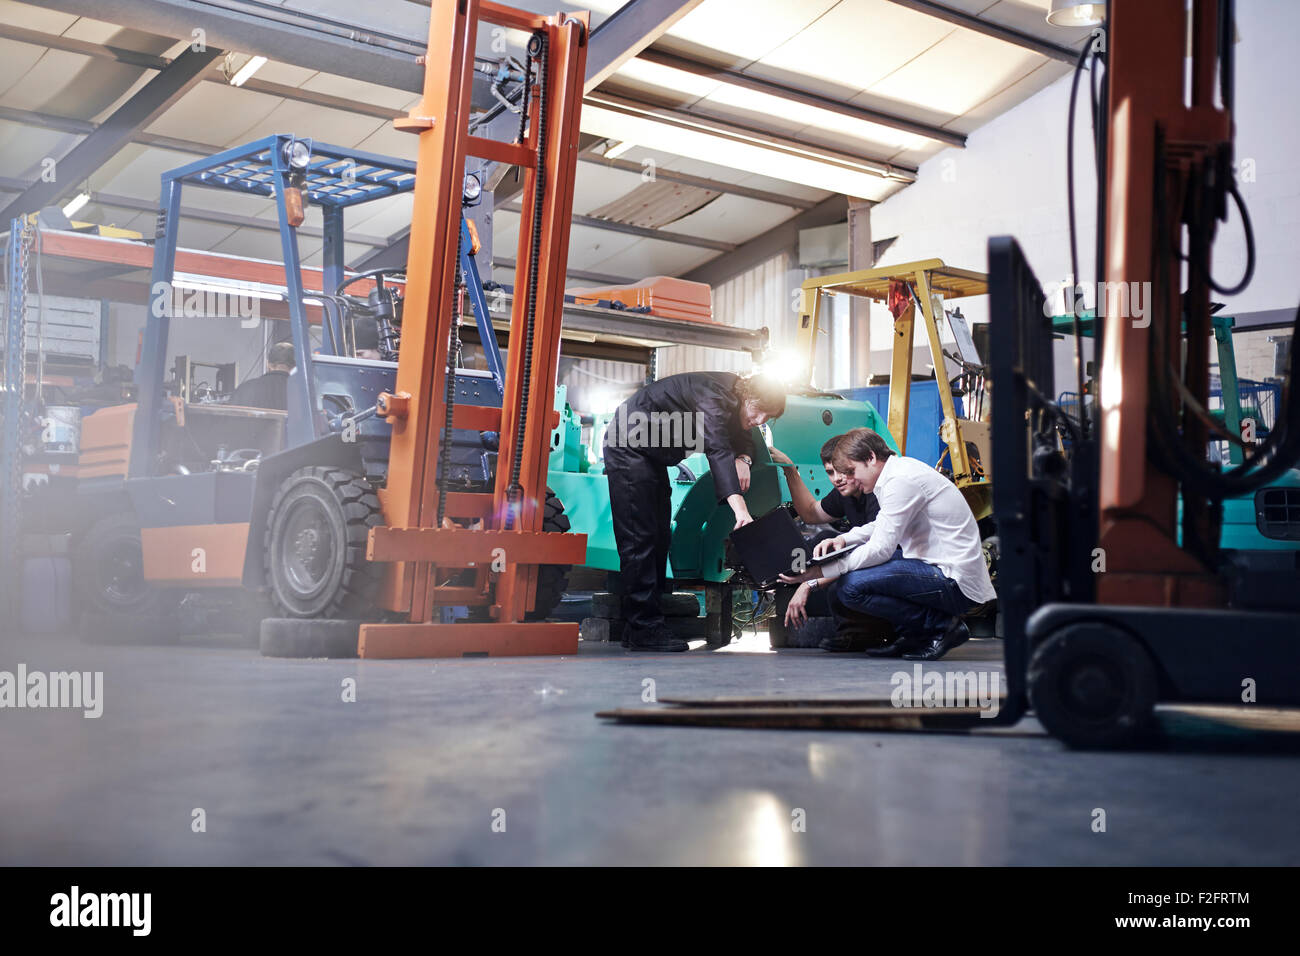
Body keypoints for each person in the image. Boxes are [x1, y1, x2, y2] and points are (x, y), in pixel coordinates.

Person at [604, 371, 786, 652]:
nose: (759, 420)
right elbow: (716, 447)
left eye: (767, 416)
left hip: (650, 453)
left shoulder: (737, 399)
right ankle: (644, 627)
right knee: (640, 537)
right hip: (628, 444)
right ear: (747, 397)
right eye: (758, 410)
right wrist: (740, 510)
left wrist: (745, 458)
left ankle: (637, 627)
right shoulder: (713, 397)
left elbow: (743, 437)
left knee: (660, 536)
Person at [780, 427, 996, 661]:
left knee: (852, 585)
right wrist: (844, 538)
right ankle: (915, 635)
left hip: (954, 580)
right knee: (853, 575)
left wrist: (820, 572)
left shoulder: (901, 481)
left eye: (851, 471)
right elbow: (880, 525)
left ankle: (941, 627)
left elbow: (881, 549)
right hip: (937, 568)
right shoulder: (894, 475)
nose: (849, 479)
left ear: (871, 458)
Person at [768, 436, 886, 651]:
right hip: (872, 557)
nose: (837, 479)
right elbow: (811, 513)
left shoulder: (877, 494)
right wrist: (790, 470)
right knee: (820, 544)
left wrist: (809, 584)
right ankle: (857, 631)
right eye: (831, 472)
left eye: (843, 471)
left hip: (895, 559)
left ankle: (876, 632)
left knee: (844, 585)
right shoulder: (846, 494)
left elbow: (876, 551)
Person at [229, 342, 294, 410]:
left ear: (268, 364)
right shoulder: (302, 392)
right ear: (294, 367)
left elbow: (228, 418)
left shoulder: (244, 389)